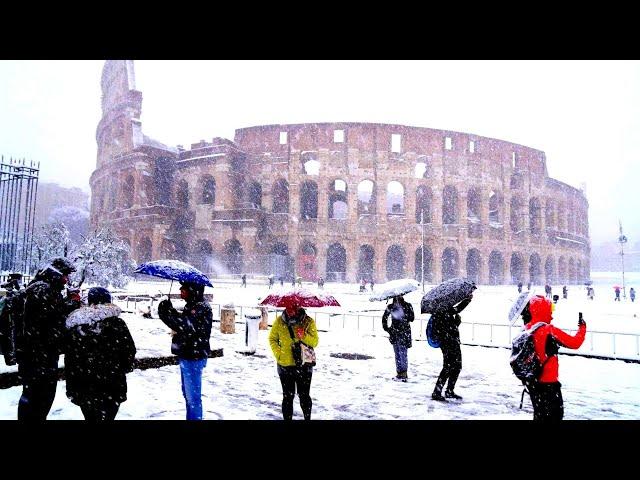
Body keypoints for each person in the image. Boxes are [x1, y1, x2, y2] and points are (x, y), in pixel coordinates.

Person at [17, 257, 81, 421]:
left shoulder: (40, 289)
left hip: (35, 355)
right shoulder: (44, 291)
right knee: (39, 399)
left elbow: (50, 316)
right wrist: (72, 304)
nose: (66, 280)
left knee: (33, 397)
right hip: (40, 356)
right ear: (56, 274)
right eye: (65, 275)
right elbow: (54, 321)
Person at [64, 287, 136, 421]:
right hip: (112, 383)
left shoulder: (76, 326)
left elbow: (70, 358)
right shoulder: (117, 323)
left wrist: (72, 386)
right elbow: (128, 350)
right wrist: (123, 368)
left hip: (84, 384)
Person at [523, 295, 586, 421]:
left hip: (533, 382)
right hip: (549, 384)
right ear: (543, 310)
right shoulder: (548, 330)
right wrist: (582, 328)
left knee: (539, 414)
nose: (552, 314)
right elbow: (575, 343)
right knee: (555, 415)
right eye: (550, 309)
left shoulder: (526, 329)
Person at [157, 281, 213, 420]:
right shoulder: (193, 305)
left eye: (185, 287)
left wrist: (167, 314)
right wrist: (171, 311)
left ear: (193, 290)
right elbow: (184, 322)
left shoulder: (201, 307)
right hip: (187, 355)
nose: (181, 289)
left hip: (193, 357)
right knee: (188, 395)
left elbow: (185, 325)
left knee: (192, 398)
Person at [268, 299, 319, 420]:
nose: (290, 311)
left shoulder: (308, 322)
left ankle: (307, 418)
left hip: (304, 366)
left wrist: (304, 336)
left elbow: (315, 341)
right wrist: (279, 354)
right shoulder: (279, 321)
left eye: (293, 308)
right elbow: (272, 339)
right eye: (288, 308)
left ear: (299, 307)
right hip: (285, 365)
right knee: (287, 397)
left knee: (304, 396)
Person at [430, 293, 473, 401]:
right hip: (447, 343)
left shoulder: (446, 309)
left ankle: (449, 390)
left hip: (453, 342)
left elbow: (457, 309)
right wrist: (454, 324)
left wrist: (467, 300)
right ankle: (437, 392)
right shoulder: (439, 312)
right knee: (447, 367)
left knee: (457, 366)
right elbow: (443, 329)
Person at [381, 295, 415, 381]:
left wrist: (404, 315)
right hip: (394, 333)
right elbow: (384, 318)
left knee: (403, 353)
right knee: (397, 354)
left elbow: (412, 318)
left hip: (404, 333)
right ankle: (399, 373)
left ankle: (404, 373)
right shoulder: (391, 306)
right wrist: (388, 329)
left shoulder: (407, 305)